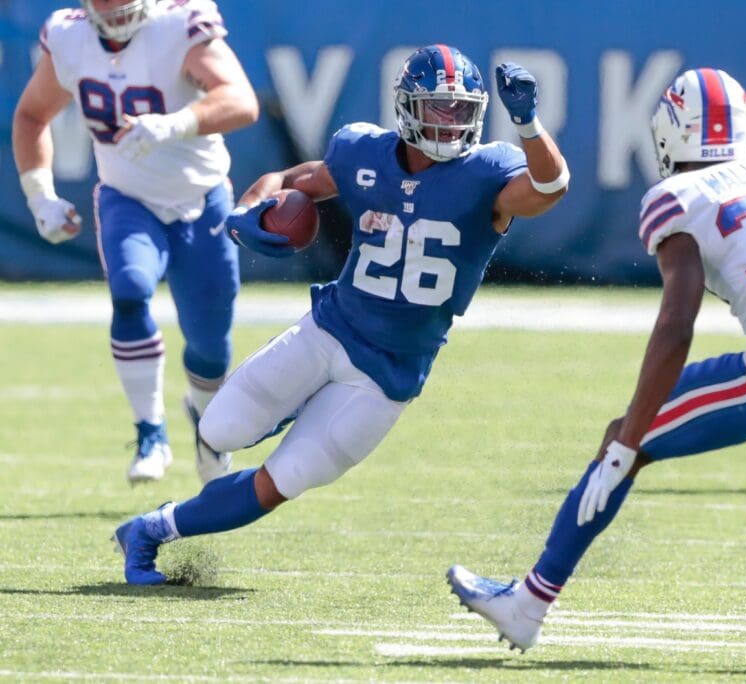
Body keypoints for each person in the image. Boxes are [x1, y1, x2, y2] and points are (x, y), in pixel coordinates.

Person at [447, 67, 746, 651]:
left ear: (671, 133)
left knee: (628, 436)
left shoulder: (679, 198)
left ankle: (528, 605)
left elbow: (676, 326)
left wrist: (627, 442)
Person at [111, 45, 570, 585]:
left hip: (390, 373)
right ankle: (288, 406)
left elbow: (549, 188)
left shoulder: (486, 173)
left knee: (283, 480)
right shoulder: (363, 152)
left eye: (462, 110)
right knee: (220, 428)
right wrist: (248, 212)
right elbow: (288, 181)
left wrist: (528, 123)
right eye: (439, 108)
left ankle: (149, 530)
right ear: (406, 108)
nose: (452, 123)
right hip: (329, 330)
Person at [12, 0, 258, 485]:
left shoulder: (180, 24)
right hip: (128, 197)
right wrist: (40, 197)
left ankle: (208, 427)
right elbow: (31, 116)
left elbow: (242, 101)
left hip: (201, 198)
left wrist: (174, 123)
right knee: (129, 292)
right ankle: (150, 431)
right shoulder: (68, 35)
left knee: (210, 345)